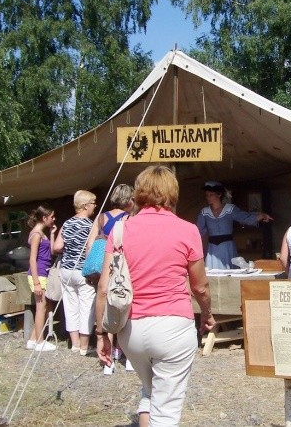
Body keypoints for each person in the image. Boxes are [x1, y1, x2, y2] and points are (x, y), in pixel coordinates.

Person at [95, 165, 215, 427]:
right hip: (173, 327)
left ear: (139, 193)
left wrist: (102, 334)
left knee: (150, 391)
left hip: (131, 329)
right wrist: (206, 313)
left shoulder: (119, 231)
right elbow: (200, 287)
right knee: (167, 411)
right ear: (173, 193)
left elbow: (103, 287)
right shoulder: (187, 230)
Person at [83, 183, 135, 374]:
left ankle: (109, 361)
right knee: (124, 308)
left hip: (103, 267)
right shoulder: (129, 219)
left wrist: (92, 268)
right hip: (122, 268)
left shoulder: (101, 217)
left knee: (106, 312)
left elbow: (89, 245)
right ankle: (127, 356)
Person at [54, 190, 97, 355]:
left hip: (66, 270)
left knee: (70, 306)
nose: (95, 207)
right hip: (82, 271)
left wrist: (69, 251)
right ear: (86, 206)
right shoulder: (90, 225)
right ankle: (85, 346)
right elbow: (90, 248)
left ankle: (75, 344)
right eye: (93, 203)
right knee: (86, 307)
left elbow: (57, 247)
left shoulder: (66, 223)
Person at [196, 181, 273, 269]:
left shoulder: (230, 209)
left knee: (229, 271)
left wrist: (261, 216)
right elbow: (198, 231)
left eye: (211, 195)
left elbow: (245, 217)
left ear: (219, 194)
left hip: (227, 247)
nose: (208, 197)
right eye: (207, 195)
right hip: (212, 249)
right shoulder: (204, 212)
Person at [25, 205, 57, 352]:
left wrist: (52, 234)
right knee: (41, 308)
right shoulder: (36, 234)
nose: (54, 219)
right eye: (52, 217)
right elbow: (32, 259)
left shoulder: (42, 233)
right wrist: (37, 282)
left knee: (42, 308)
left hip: (43, 272)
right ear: (44, 218)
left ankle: (32, 339)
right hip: (38, 274)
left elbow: (50, 252)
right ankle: (39, 341)